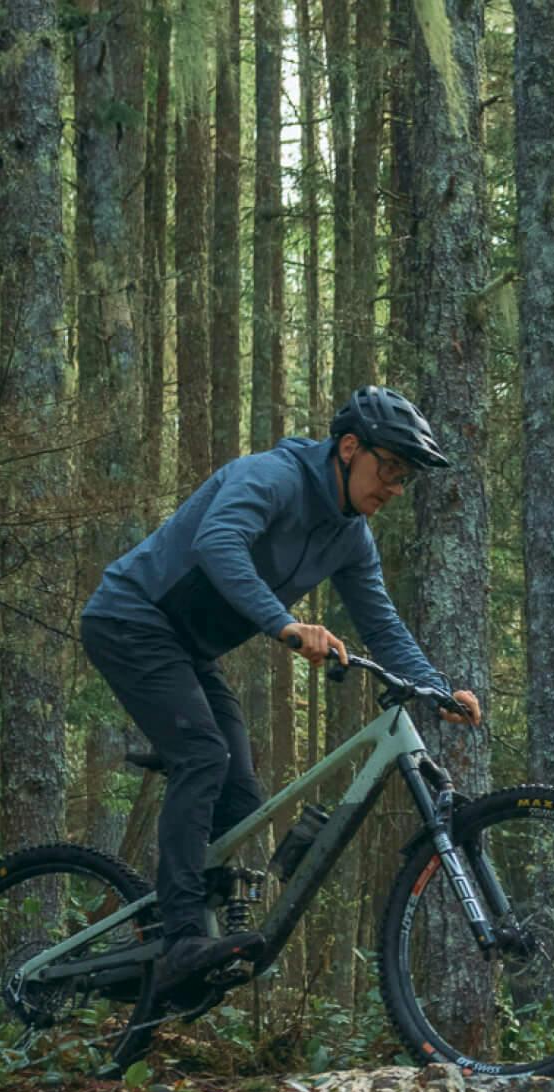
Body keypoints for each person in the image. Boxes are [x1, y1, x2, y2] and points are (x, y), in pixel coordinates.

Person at [80, 386, 484, 991]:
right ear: (349, 448)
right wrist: (285, 623)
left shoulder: (351, 536)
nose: (395, 488)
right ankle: (184, 938)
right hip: (130, 619)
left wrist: (437, 690)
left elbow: (382, 623)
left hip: (186, 649)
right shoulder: (271, 476)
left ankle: (184, 962)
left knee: (241, 794)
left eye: (405, 478)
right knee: (203, 756)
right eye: (390, 469)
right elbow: (217, 541)